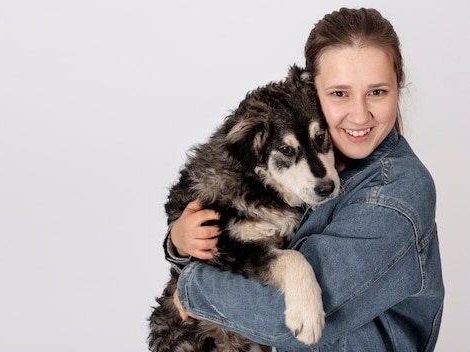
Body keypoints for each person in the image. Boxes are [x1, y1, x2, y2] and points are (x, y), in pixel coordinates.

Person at [164, 7, 444, 351]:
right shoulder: (317, 168)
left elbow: (282, 321)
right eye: (339, 93)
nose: (359, 114)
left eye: (378, 92)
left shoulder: (393, 195)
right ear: (314, 93)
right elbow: (237, 237)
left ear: (399, 88)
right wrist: (179, 245)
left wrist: (193, 287)